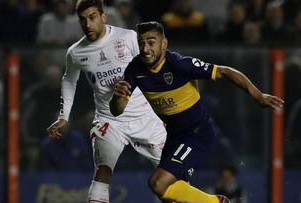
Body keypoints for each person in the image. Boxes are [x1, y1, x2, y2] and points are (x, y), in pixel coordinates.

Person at [110, 21, 284, 203]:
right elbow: (116, 111)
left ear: (164, 43)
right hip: (174, 137)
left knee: (157, 183)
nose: (145, 49)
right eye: (141, 43)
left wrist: (258, 96)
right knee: (170, 196)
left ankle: (216, 202)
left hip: (197, 135)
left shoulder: (179, 64)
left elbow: (224, 71)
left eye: (151, 42)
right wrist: (117, 97)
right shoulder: (135, 68)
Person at [46, 1, 167, 202]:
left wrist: (133, 80)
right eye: (82, 20)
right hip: (109, 120)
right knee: (103, 170)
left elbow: (153, 66)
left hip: (146, 118)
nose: (88, 24)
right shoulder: (76, 52)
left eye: (92, 17)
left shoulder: (127, 37)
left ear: (103, 17)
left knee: (171, 178)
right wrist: (63, 116)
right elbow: (69, 80)